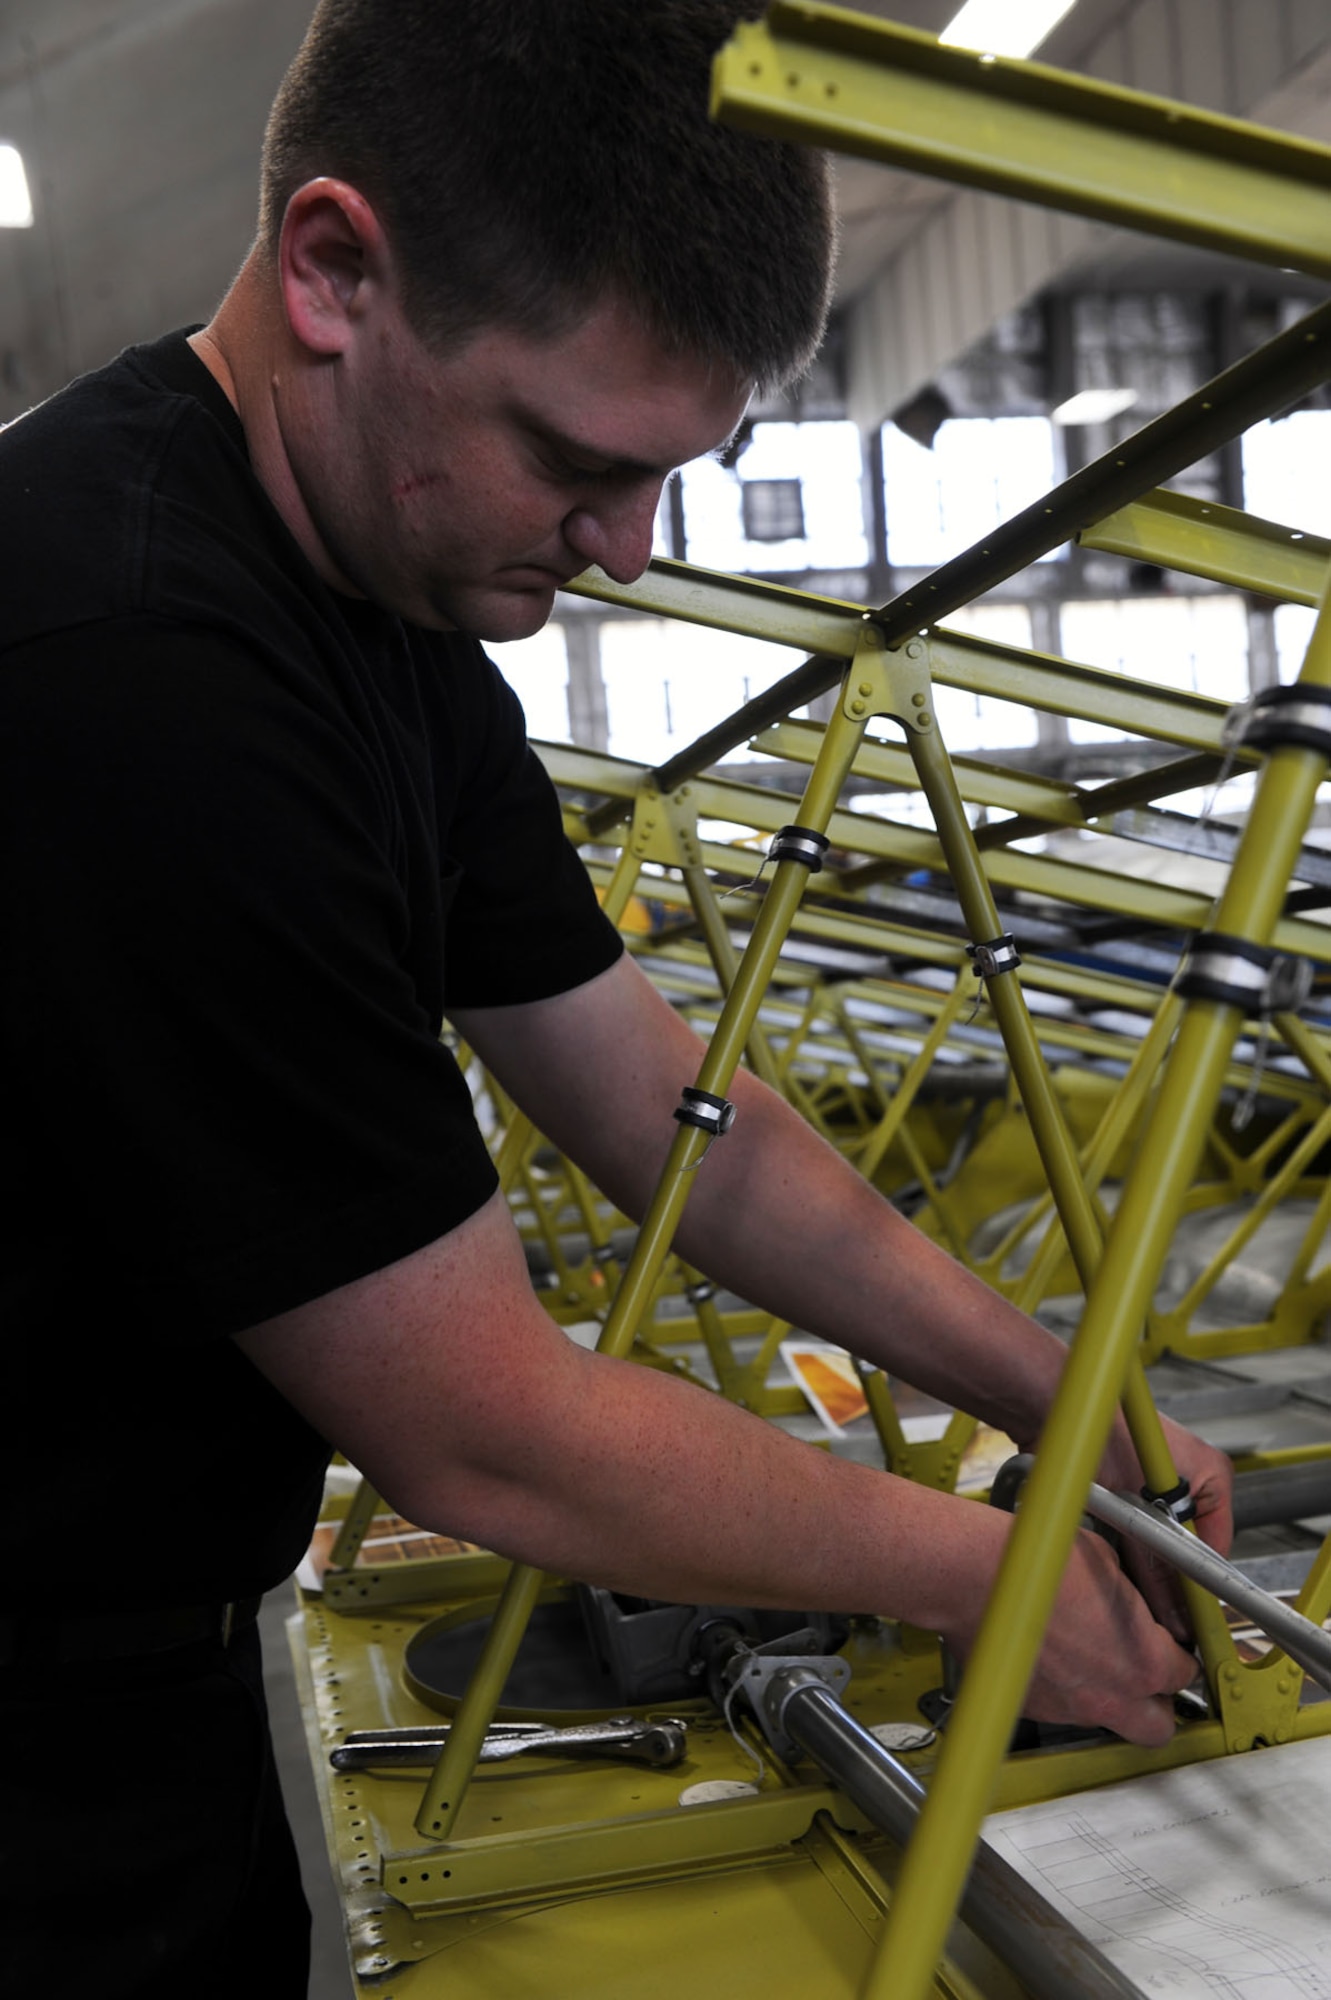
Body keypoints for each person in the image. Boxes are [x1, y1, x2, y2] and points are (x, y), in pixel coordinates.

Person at [0, 2, 1231, 1994]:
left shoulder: (386, 634)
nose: (633, 552)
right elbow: (483, 1426)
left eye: (678, 474)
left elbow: (674, 1111)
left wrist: (1057, 1392)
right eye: (577, 459)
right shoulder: (129, 651)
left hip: (140, 1680)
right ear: (334, 273)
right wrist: (988, 1574)